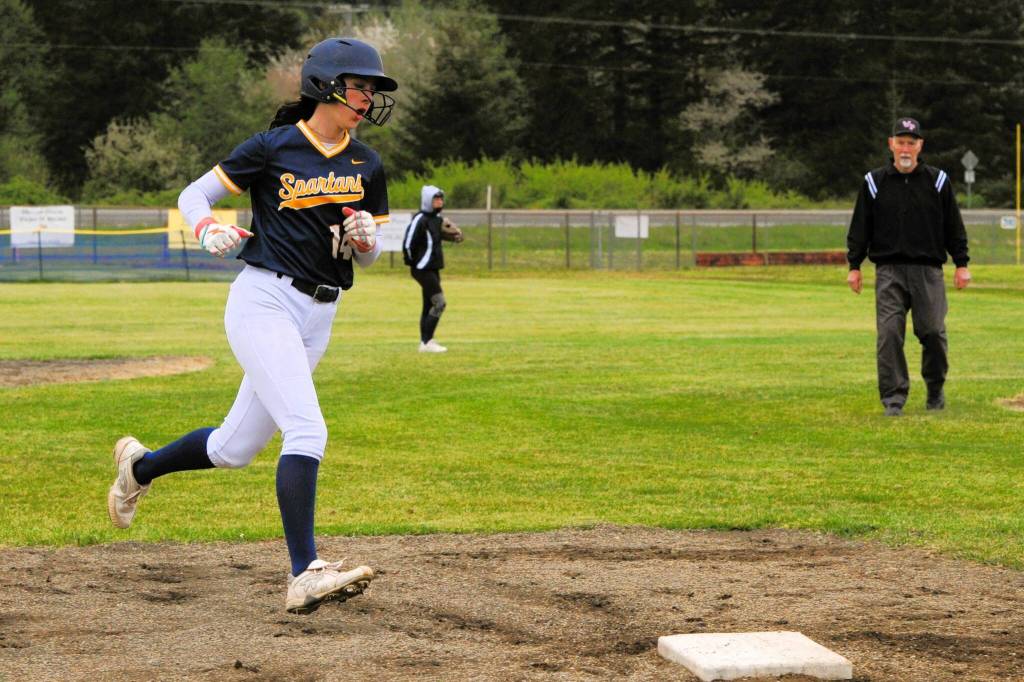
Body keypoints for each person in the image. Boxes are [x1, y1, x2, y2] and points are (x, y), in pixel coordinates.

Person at [106, 37, 397, 614]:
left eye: (371, 90)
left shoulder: (368, 163)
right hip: (265, 301)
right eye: (362, 86)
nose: (369, 98)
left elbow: (367, 256)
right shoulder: (276, 146)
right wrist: (207, 227)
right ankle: (303, 572)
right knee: (308, 431)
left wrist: (368, 242)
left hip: (321, 312)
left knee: (234, 447)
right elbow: (196, 193)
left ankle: (138, 468)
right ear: (327, 86)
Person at [846, 116, 970, 417]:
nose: (905, 148)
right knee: (889, 334)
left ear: (920, 146)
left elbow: (954, 225)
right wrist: (854, 264)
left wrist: (961, 263)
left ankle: (935, 388)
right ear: (891, 145)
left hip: (928, 272)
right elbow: (861, 225)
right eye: (900, 142)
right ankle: (893, 399)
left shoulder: (938, 181)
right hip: (889, 271)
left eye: (910, 143)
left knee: (933, 333)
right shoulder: (874, 182)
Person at [403, 185, 463, 353]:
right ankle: (428, 342)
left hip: (433, 268)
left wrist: (456, 236)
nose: (439, 201)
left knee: (428, 305)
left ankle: (424, 342)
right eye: (435, 199)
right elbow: (408, 243)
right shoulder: (420, 219)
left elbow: (443, 236)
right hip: (422, 269)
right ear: (428, 200)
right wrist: (413, 263)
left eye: (440, 199)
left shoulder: (437, 220)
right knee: (439, 303)